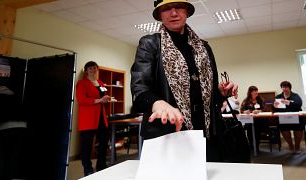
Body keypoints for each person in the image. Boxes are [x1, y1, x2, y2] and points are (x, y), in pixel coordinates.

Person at [130, 0, 238, 162]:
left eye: (179, 7)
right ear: (160, 14)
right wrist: (158, 103)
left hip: (207, 132)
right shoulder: (150, 44)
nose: (174, 13)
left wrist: (220, 93)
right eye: (166, 9)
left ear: (186, 11)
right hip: (168, 132)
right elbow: (140, 90)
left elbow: (207, 95)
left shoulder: (204, 48)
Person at [76, 61, 110, 176]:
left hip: (101, 118)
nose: (92, 70)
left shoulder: (100, 83)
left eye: (94, 68)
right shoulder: (82, 83)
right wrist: (99, 100)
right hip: (88, 119)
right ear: (86, 70)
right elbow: (81, 100)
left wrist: (106, 98)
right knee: (86, 146)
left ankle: (101, 165)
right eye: (90, 68)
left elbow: (103, 96)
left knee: (104, 142)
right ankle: (88, 169)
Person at [273, 81, 303, 153]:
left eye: (286, 87)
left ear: (289, 88)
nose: (284, 88)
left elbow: (299, 104)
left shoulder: (295, 95)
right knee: (283, 127)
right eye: (283, 87)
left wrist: (288, 102)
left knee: (299, 127)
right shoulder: (278, 97)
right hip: (284, 118)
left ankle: (297, 146)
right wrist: (274, 106)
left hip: (295, 117)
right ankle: (291, 146)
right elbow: (275, 108)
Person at [240, 86, 265, 152]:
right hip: (249, 121)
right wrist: (245, 112)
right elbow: (241, 110)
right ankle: (251, 147)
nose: (256, 92)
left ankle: (256, 147)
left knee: (257, 134)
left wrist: (259, 111)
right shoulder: (246, 101)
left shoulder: (260, 100)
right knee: (250, 134)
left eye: (257, 91)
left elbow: (264, 109)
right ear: (250, 92)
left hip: (259, 120)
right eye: (255, 91)